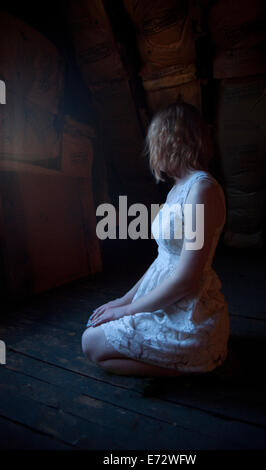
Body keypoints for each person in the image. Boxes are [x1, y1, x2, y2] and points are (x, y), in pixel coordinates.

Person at [82, 102, 230, 377]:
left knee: (91, 343)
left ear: (170, 142)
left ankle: (197, 360)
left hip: (188, 311)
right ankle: (188, 360)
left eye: (154, 144)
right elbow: (163, 259)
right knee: (92, 332)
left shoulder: (202, 189)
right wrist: (124, 301)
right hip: (163, 299)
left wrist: (126, 312)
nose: (151, 153)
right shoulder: (177, 190)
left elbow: (187, 280)